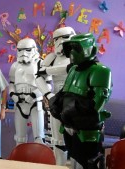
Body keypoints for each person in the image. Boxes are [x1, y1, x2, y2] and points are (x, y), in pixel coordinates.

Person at [49, 33, 112, 169]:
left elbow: (97, 104)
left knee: (89, 162)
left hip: (87, 129)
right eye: (70, 48)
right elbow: (65, 93)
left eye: (76, 48)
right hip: (69, 126)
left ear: (91, 49)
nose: (72, 52)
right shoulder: (73, 69)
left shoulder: (100, 71)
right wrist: (55, 105)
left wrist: (74, 118)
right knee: (74, 159)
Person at [35, 26, 76, 165]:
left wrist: (50, 71)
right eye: (57, 39)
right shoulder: (52, 57)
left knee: (77, 140)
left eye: (64, 38)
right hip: (56, 99)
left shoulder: (80, 54)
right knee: (58, 141)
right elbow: (39, 76)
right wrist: (48, 94)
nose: (62, 42)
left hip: (77, 100)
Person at [8, 38, 45, 145]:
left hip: (35, 103)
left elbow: (47, 85)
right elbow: (11, 83)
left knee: (39, 138)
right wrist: (13, 95)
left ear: (34, 49)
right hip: (19, 103)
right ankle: (19, 160)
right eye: (20, 50)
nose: (23, 53)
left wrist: (34, 95)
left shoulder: (40, 64)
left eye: (27, 50)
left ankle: (39, 161)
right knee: (20, 138)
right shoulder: (15, 66)